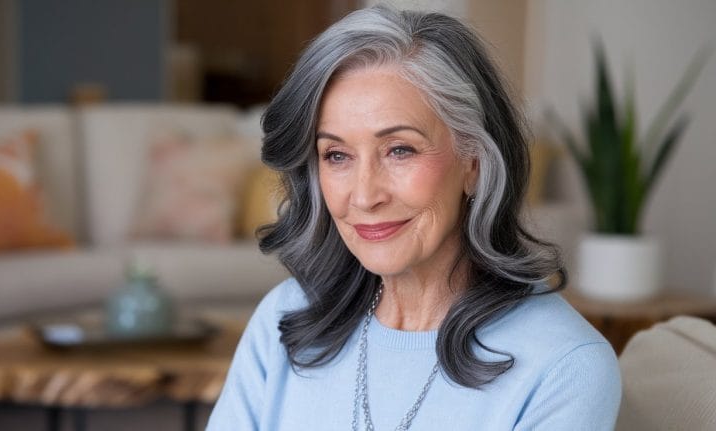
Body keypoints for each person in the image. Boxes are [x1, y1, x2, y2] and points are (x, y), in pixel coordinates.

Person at [207, 6, 621, 431]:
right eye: (337, 155)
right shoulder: (285, 318)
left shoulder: (564, 366)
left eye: (399, 150)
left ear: (474, 161)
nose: (365, 196)